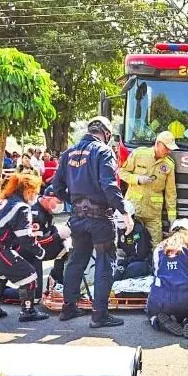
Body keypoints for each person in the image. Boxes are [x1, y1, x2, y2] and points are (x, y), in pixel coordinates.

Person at [53, 116, 134, 328]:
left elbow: (57, 187)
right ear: (106, 133)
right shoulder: (104, 151)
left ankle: (68, 308)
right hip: (100, 218)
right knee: (105, 263)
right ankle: (100, 315)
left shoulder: (68, 153)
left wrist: (73, 202)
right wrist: (124, 211)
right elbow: (109, 185)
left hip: (78, 218)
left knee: (76, 261)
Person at [0, 173, 49, 323]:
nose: (36, 196)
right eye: (36, 192)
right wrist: (40, 252)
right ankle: (28, 311)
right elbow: (26, 238)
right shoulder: (21, 207)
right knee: (29, 274)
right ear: (28, 190)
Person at [0, 191, 69, 304]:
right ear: (48, 198)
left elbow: (48, 231)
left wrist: (58, 234)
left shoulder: (46, 209)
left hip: (34, 250)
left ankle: (56, 282)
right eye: (59, 202)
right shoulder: (35, 214)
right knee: (35, 297)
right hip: (24, 251)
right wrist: (57, 236)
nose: (61, 205)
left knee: (65, 249)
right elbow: (34, 243)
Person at [147, 218, 188, 338]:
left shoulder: (158, 249)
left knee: (151, 313)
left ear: (171, 231)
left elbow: (155, 274)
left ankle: (157, 320)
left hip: (162, 299)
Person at [119, 130, 179, 246]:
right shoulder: (139, 154)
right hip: (133, 211)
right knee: (131, 244)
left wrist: (172, 219)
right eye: (166, 148)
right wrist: (138, 179)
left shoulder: (169, 165)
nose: (169, 151)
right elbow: (121, 173)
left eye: (170, 148)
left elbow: (170, 194)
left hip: (153, 215)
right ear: (157, 144)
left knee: (155, 246)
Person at [113, 202, 153, 281]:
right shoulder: (120, 230)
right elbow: (120, 250)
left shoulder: (138, 231)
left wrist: (124, 262)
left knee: (132, 270)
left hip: (142, 262)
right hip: (128, 261)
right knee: (115, 274)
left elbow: (140, 255)